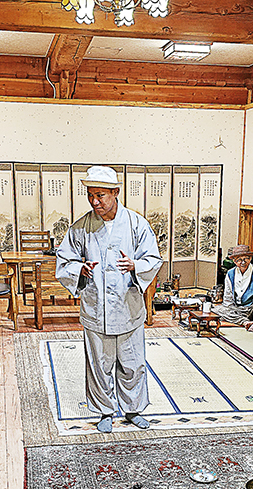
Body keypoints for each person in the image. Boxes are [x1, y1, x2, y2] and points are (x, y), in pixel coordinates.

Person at [55, 165, 163, 433]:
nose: (94, 202)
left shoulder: (137, 224)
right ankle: (104, 411)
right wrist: (79, 269)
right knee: (99, 364)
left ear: (115, 192)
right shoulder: (81, 227)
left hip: (128, 307)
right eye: (90, 195)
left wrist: (136, 265)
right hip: (96, 306)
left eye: (100, 195)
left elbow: (153, 258)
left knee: (132, 362)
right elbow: (64, 260)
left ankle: (133, 409)